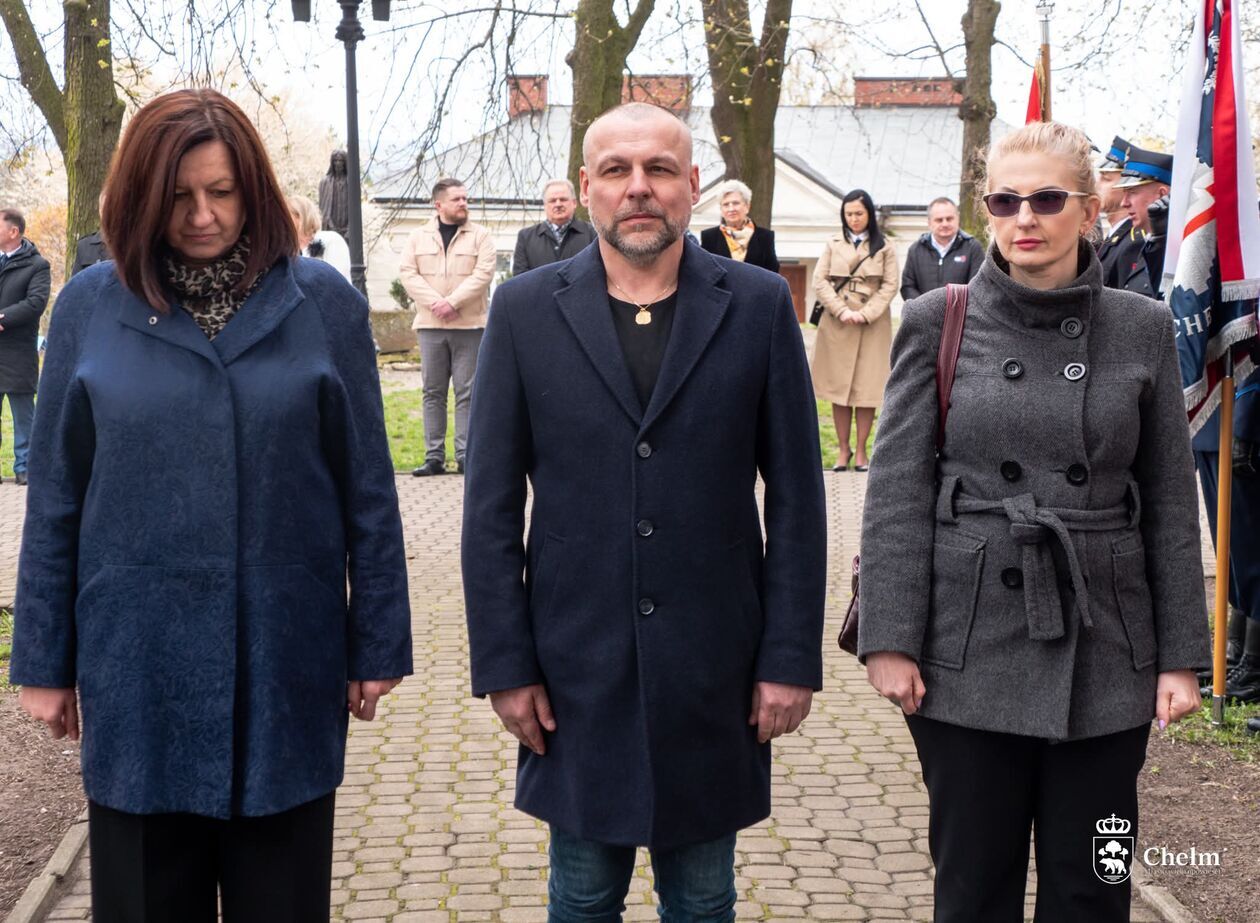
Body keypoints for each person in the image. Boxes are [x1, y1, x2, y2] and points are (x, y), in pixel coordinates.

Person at [9, 89, 413, 922]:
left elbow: (368, 487)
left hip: (284, 659)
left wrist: (377, 639)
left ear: (253, 188)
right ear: (140, 198)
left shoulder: (320, 303)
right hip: (138, 667)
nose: (202, 215)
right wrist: (43, 659)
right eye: (178, 196)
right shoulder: (90, 305)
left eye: (221, 191)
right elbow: (55, 496)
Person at [462, 102, 826, 923]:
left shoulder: (759, 304)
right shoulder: (523, 310)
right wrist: (505, 664)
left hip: (715, 667)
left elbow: (799, 499)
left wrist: (789, 656)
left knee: (702, 898)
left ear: (692, 184)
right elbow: (488, 509)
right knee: (582, 894)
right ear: (586, 186)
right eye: (616, 171)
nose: (638, 188)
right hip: (574, 667)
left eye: (659, 169)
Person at [858, 121, 1208, 922]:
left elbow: (1167, 501)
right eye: (1004, 201)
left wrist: (1181, 657)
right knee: (973, 888)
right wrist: (889, 637)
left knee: (1094, 888)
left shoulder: (1142, 326)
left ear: (1088, 210)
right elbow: (897, 492)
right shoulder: (936, 319)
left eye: (1047, 199)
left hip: (1107, 646)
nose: (1025, 218)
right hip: (967, 646)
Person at [398, 177, 496, 476]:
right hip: (430, 327)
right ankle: (434, 457)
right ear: (438, 204)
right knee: (433, 392)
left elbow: (484, 274)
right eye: (457, 199)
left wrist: (452, 302)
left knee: (468, 392)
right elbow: (408, 273)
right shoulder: (417, 237)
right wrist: (436, 303)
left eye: (465, 198)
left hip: (470, 326)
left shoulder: (481, 236)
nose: (463, 203)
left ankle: (466, 455)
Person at [810, 189, 898, 472]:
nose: (854, 219)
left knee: (866, 389)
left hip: (872, 326)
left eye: (859, 213)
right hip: (838, 323)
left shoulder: (885, 246)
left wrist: (866, 313)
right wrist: (842, 311)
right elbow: (819, 280)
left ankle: (861, 451)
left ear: (869, 214)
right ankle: (843, 449)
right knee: (839, 389)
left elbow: (890, 285)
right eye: (848, 214)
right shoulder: (833, 242)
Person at [0, 207, 51, 486]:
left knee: (23, 416)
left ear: (13, 231)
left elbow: (35, 303)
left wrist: (3, 319)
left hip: (18, 351)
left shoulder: (37, 265)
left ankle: (24, 468)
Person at [1112, 146, 1172, 298]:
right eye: (1124, 194)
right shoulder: (1139, 246)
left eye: (1132, 192)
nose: (1124, 203)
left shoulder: (1175, 251)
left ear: (1162, 194)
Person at [899, 196, 983, 301]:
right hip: (923, 310)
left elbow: (977, 287)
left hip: (961, 311)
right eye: (939, 220)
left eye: (949, 219)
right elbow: (908, 286)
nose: (945, 224)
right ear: (929, 223)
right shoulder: (916, 250)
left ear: (958, 218)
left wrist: (955, 307)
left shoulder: (972, 248)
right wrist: (923, 307)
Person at [512, 178, 595, 275]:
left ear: (574, 203)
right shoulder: (526, 237)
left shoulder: (592, 233)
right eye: (552, 201)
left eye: (563, 199)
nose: (558, 204)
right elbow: (520, 277)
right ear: (545, 205)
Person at [698, 179, 780, 273]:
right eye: (726, 204)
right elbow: (705, 271)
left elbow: (773, 272)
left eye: (736, 203)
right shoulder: (709, 238)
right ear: (721, 209)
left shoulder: (765, 237)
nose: (731, 209)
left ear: (747, 206)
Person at [1095, 136, 1145, 288]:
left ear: (1126, 186)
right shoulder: (1115, 236)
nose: (1096, 185)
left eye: (1106, 179)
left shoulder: (1133, 243)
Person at [288, 194, 352, 281]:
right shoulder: (289, 250)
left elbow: (336, 280)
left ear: (299, 216)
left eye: (287, 215)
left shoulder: (331, 240)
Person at [70, 194, 111, 278]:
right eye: (105, 208)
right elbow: (76, 283)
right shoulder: (84, 246)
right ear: (100, 210)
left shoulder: (131, 247)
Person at [318, 149, 350, 239]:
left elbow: (355, 209)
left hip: (347, 231)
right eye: (335, 161)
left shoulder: (351, 183)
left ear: (345, 163)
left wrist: (350, 228)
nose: (338, 163)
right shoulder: (325, 182)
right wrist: (330, 225)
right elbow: (322, 208)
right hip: (330, 229)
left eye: (340, 160)